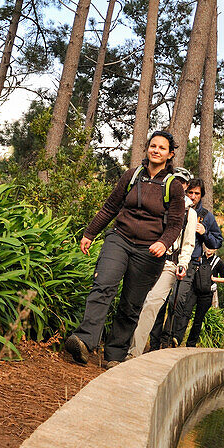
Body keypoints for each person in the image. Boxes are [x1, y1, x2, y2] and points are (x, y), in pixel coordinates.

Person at [63, 130, 186, 369]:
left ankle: (114, 355)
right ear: (147, 148)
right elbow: (110, 207)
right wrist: (90, 233)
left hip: (149, 252)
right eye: (153, 146)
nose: (156, 150)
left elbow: (175, 224)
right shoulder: (132, 176)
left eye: (162, 148)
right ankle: (84, 340)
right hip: (119, 239)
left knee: (131, 304)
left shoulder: (174, 187)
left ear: (170, 154)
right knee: (103, 285)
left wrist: (163, 243)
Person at [125, 188, 197, 359]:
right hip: (145, 258)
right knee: (131, 301)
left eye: (184, 183)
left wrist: (183, 263)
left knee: (151, 303)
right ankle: (119, 345)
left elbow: (188, 243)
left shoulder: (189, 213)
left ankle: (133, 353)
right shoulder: (157, 200)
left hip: (169, 264)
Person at [160, 178, 223, 348]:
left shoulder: (206, 216)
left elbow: (217, 242)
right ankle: (155, 339)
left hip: (190, 264)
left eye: (197, 193)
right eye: (191, 192)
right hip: (166, 258)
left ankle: (170, 339)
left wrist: (205, 233)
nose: (193, 196)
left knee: (178, 301)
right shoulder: (175, 208)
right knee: (161, 300)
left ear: (201, 195)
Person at [182, 245, 224, 347]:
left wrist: (213, 279)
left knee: (198, 319)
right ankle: (178, 337)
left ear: (215, 249)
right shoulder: (198, 257)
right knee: (185, 313)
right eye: (208, 246)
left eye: (212, 247)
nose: (209, 249)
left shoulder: (217, 262)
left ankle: (191, 344)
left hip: (206, 295)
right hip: (194, 291)